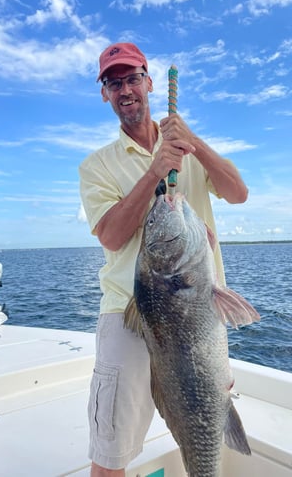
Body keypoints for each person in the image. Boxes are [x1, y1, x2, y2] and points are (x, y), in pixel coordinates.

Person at [79, 42, 249, 477]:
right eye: (113, 83)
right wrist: (156, 171)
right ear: (104, 94)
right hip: (128, 312)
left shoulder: (185, 146)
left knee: (208, 417)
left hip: (198, 310)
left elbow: (237, 192)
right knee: (111, 453)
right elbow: (115, 237)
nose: (125, 89)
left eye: (132, 78)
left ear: (149, 83)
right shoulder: (96, 167)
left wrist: (192, 142)